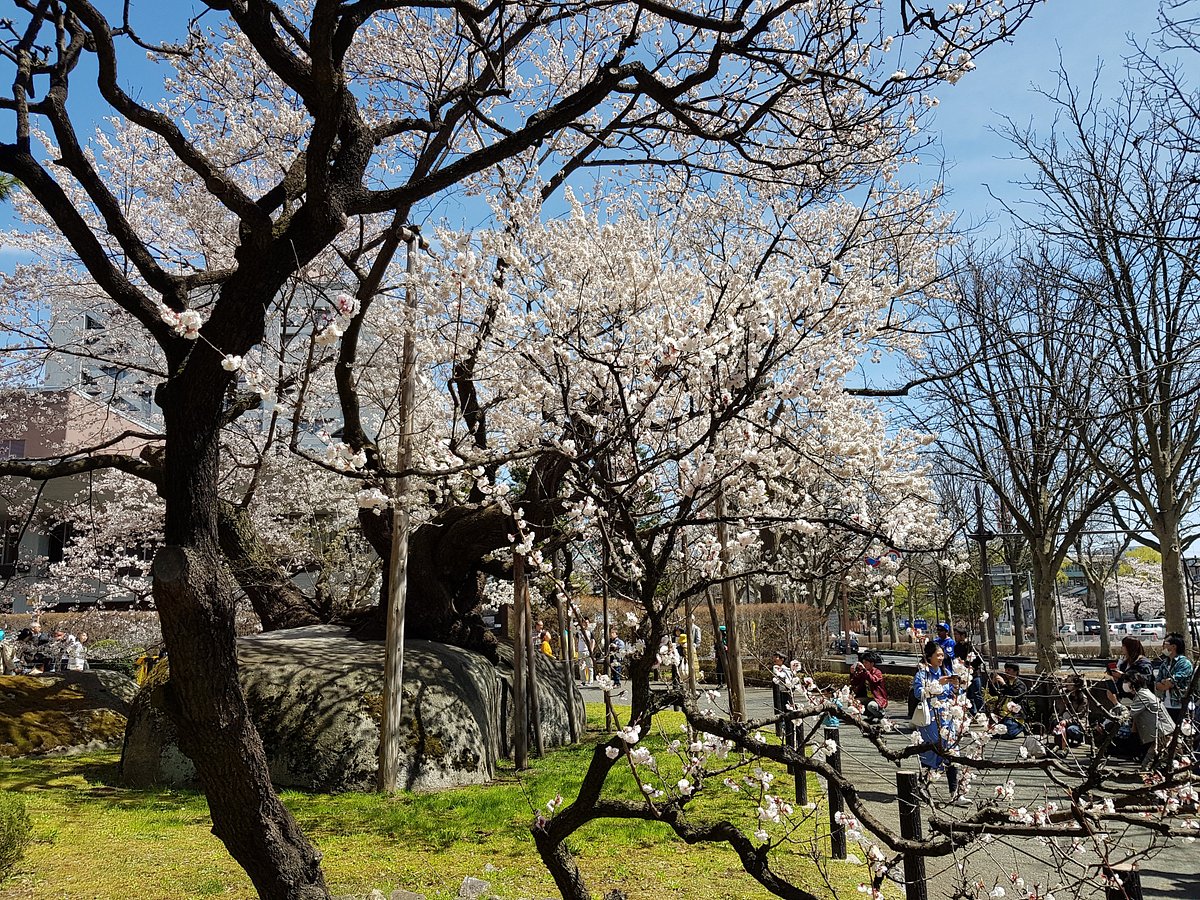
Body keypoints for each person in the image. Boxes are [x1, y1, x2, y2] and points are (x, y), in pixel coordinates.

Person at [913, 639, 969, 804]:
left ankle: (955, 793)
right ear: (929, 657)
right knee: (932, 752)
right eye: (937, 655)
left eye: (942, 655)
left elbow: (952, 693)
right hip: (931, 717)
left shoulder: (945, 670)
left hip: (947, 715)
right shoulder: (922, 674)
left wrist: (957, 686)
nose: (940, 658)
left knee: (951, 750)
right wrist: (938, 683)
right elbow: (919, 693)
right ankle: (923, 787)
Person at [1109, 672, 1175, 763]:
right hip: (1162, 733)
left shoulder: (1142, 696)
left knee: (1149, 764)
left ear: (1133, 683)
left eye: (1126, 681)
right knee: (1157, 762)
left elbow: (1128, 714)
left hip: (1163, 732)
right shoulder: (1142, 693)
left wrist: (1115, 702)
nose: (1124, 684)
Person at [1154, 634, 1194, 725]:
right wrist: (1164, 683)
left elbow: (1172, 682)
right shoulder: (1165, 663)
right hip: (1166, 705)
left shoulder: (1184, 663)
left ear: (1173, 646)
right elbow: (1157, 684)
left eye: (1165, 643)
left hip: (1181, 706)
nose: (1163, 646)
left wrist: (1165, 682)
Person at [988, 662, 1030, 738]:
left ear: (1015, 672)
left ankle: (1023, 726)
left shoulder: (1020, 685)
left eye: (1009, 670)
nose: (1006, 672)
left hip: (1014, 715)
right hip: (1001, 714)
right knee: (992, 732)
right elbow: (993, 693)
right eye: (1006, 670)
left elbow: (1016, 696)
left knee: (1007, 734)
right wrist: (992, 683)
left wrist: (1004, 684)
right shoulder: (1006, 683)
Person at [1110, 637, 1154, 705]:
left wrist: (1123, 676)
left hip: (1142, 700)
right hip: (1125, 698)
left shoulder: (1143, 663)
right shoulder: (1124, 663)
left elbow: (1143, 679)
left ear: (1130, 647)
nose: (1121, 648)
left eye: (1124, 646)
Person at [953, 625, 985, 715]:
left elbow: (980, 658)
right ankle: (973, 713)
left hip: (974, 674)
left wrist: (972, 666)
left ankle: (982, 712)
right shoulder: (956, 647)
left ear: (963, 635)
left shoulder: (971, 645)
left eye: (957, 634)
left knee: (977, 694)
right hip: (963, 674)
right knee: (968, 695)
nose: (955, 636)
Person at [1053, 675, 1090, 752]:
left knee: (1071, 729)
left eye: (1070, 682)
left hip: (1078, 724)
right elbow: (1053, 695)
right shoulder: (1066, 694)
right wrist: (1060, 684)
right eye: (1067, 682)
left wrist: (1067, 721)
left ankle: (1079, 738)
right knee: (1055, 722)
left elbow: (1080, 715)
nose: (1067, 684)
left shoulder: (1083, 698)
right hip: (1065, 718)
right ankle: (1061, 742)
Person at [850, 650, 888, 723]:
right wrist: (852, 673)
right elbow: (854, 682)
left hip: (877, 698)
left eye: (866, 663)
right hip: (867, 697)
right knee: (854, 703)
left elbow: (873, 680)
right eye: (863, 662)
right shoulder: (863, 672)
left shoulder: (877, 672)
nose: (864, 664)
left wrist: (865, 670)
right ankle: (870, 715)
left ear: (872, 663)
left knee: (871, 706)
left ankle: (881, 715)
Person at [575, 616, 595, 685]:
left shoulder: (590, 631)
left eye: (587, 622)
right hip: (580, 651)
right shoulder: (579, 631)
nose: (586, 624)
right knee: (581, 667)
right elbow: (576, 640)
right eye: (584, 622)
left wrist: (591, 650)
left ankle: (590, 681)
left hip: (588, 651)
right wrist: (576, 648)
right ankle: (583, 681)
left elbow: (593, 641)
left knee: (590, 667)